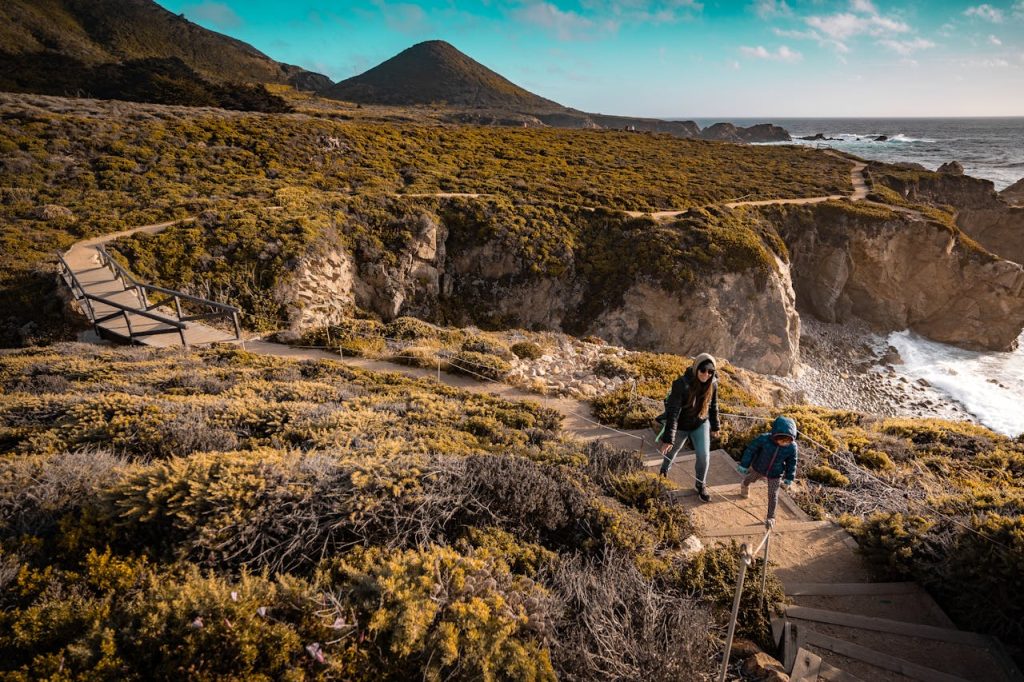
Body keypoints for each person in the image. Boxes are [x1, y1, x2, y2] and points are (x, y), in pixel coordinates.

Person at [657, 353, 720, 502]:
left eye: (710, 371)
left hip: (700, 423)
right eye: (703, 370)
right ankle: (663, 472)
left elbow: (714, 405)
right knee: (671, 453)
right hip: (681, 425)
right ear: (696, 368)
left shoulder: (713, 383)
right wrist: (669, 438)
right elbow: (673, 413)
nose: (706, 374)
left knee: (704, 456)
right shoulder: (681, 384)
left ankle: (700, 485)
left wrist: (715, 426)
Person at [737, 416, 798, 529]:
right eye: (782, 440)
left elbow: (792, 462)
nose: (784, 443)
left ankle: (771, 517)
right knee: (750, 479)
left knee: (773, 494)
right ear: (775, 435)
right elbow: (751, 449)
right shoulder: (764, 439)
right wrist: (744, 465)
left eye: (787, 441)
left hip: (776, 473)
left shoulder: (792, 447)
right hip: (759, 467)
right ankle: (744, 484)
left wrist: (789, 477)